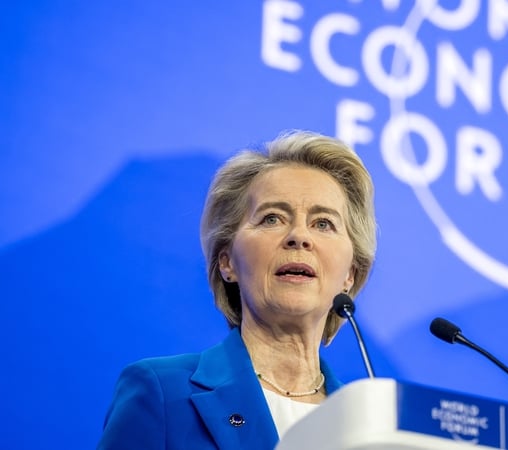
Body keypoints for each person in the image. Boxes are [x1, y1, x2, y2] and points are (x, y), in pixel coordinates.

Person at [97, 130, 377, 449]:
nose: (299, 236)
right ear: (227, 261)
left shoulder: (370, 428)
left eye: (323, 223)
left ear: (350, 274)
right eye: (272, 218)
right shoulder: (163, 393)